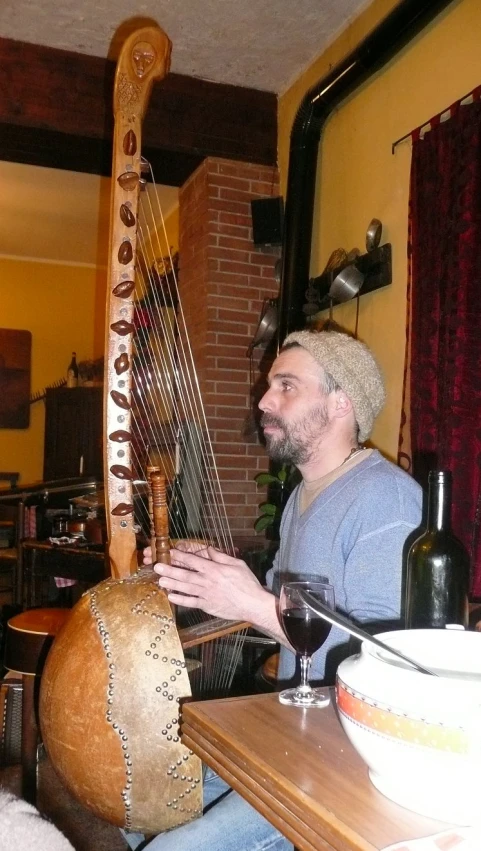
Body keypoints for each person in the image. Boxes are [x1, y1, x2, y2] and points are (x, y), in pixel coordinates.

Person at [128, 329, 422, 851]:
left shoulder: (387, 499)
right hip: (292, 727)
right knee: (135, 803)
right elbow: (285, 606)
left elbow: (380, 653)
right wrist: (210, 574)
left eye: (287, 385)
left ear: (340, 402)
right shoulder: (301, 498)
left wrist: (251, 603)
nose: (264, 400)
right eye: (269, 386)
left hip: (348, 755)